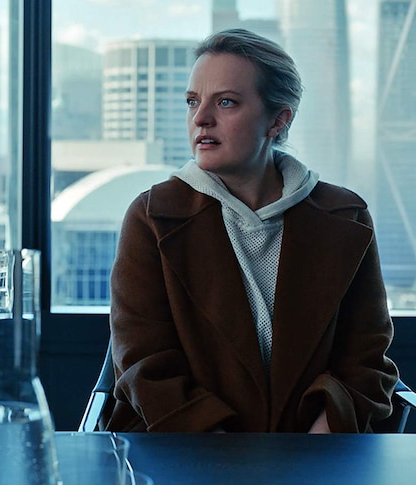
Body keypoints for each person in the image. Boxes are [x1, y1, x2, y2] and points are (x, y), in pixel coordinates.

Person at [105, 28, 398, 433]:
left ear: (278, 120)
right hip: (186, 450)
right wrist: (228, 453)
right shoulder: (153, 215)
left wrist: (323, 434)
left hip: (315, 452)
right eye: (193, 101)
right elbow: (143, 363)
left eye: (225, 102)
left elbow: (366, 355)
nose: (200, 118)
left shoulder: (345, 217)